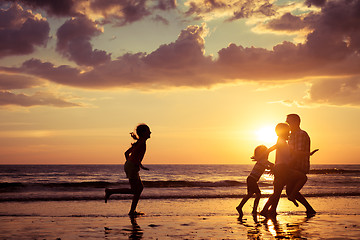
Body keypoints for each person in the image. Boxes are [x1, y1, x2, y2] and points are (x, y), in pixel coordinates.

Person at [260, 123, 307, 217]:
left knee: (277, 193)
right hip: (283, 169)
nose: (289, 134)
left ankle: (266, 210)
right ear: (283, 133)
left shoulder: (284, 143)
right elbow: (271, 149)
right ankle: (292, 195)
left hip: (279, 168)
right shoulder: (280, 141)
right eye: (288, 132)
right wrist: (263, 157)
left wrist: (308, 154)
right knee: (303, 177)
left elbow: (292, 154)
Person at [105, 124, 151, 216]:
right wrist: (137, 165)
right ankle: (110, 191)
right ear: (143, 133)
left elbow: (126, 153)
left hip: (130, 166)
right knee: (135, 190)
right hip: (132, 166)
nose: (150, 132)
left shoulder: (139, 142)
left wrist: (130, 164)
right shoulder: (141, 143)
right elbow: (136, 158)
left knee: (140, 188)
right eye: (148, 131)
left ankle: (132, 211)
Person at [286, 114, 317, 217]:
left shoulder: (300, 134)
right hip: (292, 165)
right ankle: (309, 209)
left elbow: (297, 153)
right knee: (289, 191)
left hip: (298, 165)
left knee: (290, 191)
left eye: (289, 122)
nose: (287, 124)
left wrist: (288, 164)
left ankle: (310, 209)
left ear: (295, 122)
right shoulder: (292, 135)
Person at [236, 145, 274, 219]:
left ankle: (241, 207)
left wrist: (271, 168)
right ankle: (252, 209)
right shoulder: (263, 161)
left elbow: (269, 166)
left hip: (251, 179)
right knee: (258, 194)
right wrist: (274, 168)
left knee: (250, 194)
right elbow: (270, 165)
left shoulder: (262, 161)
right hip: (252, 179)